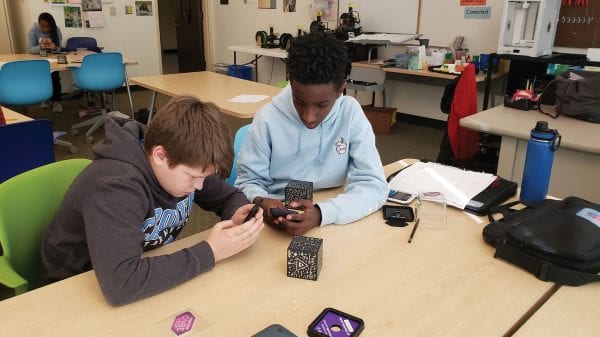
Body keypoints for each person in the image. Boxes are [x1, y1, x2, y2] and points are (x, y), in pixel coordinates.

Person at [41, 95, 264, 306]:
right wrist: (212, 251)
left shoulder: (185, 159)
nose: (200, 186)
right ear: (160, 156)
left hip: (139, 265)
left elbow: (228, 196)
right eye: (195, 177)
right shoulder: (116, 188)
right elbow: (122, 284)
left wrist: (237, 212)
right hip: (75, 287)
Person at [235, 31, 388, 236]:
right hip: (274, 222)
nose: (309, 117)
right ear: (291, 82)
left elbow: (374, 185)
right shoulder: (267, 118)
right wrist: (260, 201)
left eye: (322, 105)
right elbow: (247, 183)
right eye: (299, 101)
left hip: (332, 216)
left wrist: (321, 213)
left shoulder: (351, 114)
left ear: (340, 90)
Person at [27, 12, 63, 113]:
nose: (46, 29)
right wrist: (40, 47)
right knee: (43, 79)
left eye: (48, 27)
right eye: (43, 26)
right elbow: (30, 49)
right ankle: (45, 100)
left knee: (55, 78)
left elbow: (59, 48)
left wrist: (54, 47)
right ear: (39, 24)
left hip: (53, 60)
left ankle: (57, 101)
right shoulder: (33, 31)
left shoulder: (57, 30)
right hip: (39, 60)